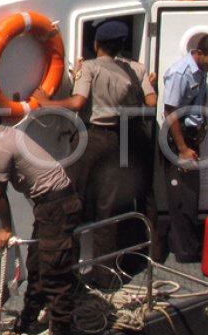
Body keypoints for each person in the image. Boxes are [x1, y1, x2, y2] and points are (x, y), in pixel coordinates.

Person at [0, 96, 86, 335]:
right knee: (37, 264)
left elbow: (0, 195)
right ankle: (29, 318)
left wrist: (5, 229)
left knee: (53, 271)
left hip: (57, 206)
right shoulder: (7, 134)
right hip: (53, 206)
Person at [35, 20, 158, 271]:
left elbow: (79, 103)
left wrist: (46, 102)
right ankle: (105, 273)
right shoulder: (138, 69)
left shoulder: (88, 68)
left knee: (72, 200)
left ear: (96, 44)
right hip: (120, 141)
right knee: (108, 208)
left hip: (92, 139)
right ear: (121, 44)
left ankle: (65, 265)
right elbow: (152, 103)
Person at [161, 33, 208, 264]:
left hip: (191, 135)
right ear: (198, 53)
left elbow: (199, 98)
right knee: (183, 197)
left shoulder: (201, 71)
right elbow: (171, 112)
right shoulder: (181, 73)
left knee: (191, 194)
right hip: (178, 138)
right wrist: (182, 148)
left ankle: (185, 243)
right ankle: (185, 251)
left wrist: (204, 123)